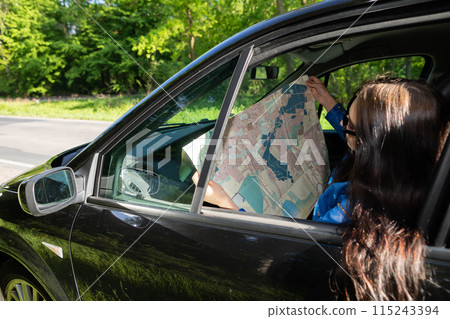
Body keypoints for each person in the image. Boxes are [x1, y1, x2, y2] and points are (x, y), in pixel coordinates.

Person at [194, 75, 449, 300]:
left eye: (349, 123)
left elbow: (283, 253)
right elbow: (351, 134)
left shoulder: (350, 208)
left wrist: (227, 203)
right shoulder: (405, 172)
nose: (344, 124)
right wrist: (329, 104)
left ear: (368, 144)